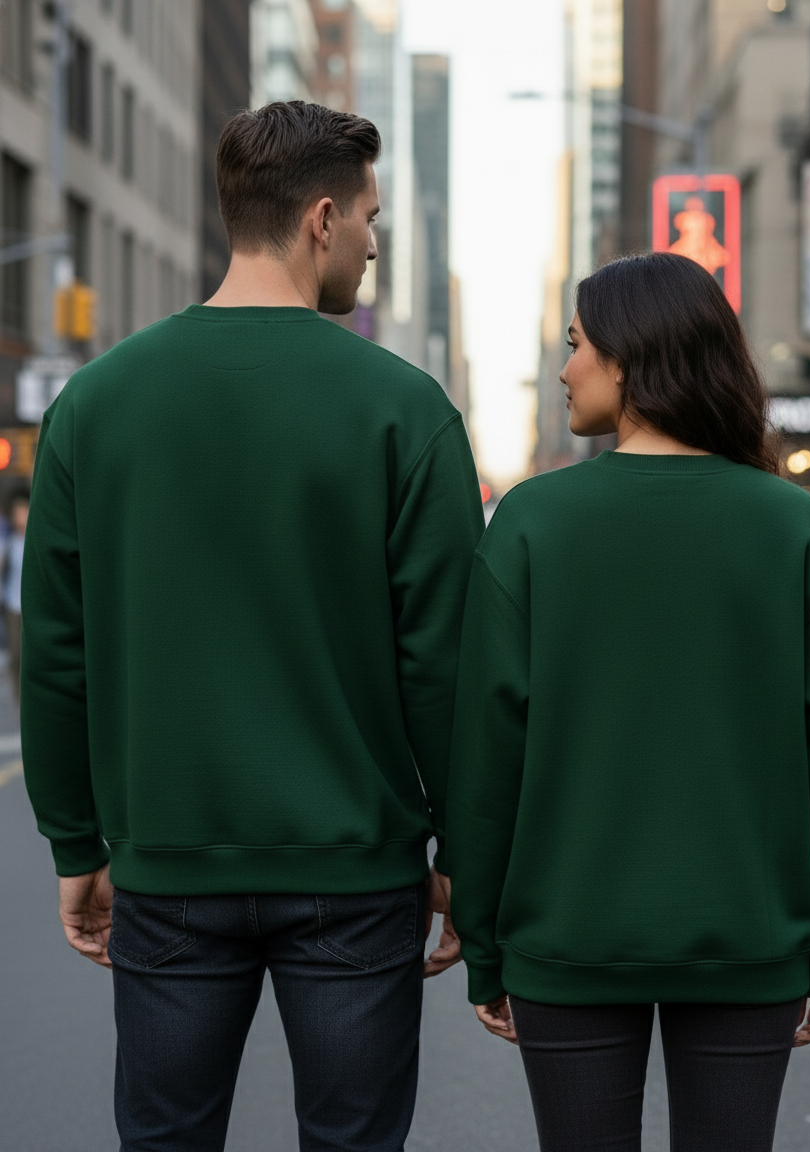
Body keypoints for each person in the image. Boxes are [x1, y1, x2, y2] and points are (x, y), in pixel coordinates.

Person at [21, 100, 478, 1152]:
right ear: (321, 219)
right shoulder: (406, 411)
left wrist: (75, 839)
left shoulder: (94, 405)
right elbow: (444, 664)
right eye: (369, 219)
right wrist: (461, 848)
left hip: (169, 861)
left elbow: (52, 650)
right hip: (354, 871)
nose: (372, 242)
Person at [446, 252, 810, 1152]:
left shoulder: (532, 521)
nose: (565, 368)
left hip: (566, 940)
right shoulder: (793, 525)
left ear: (630, 360)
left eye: (576, 347)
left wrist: (484, 942)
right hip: (749, 941)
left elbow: (488, 754)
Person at [1, 488, 28, 708]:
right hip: (12, 605)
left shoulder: (34, 541)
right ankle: (18, 698)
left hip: (30, 606)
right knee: (16, 655)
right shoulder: (8, 543)